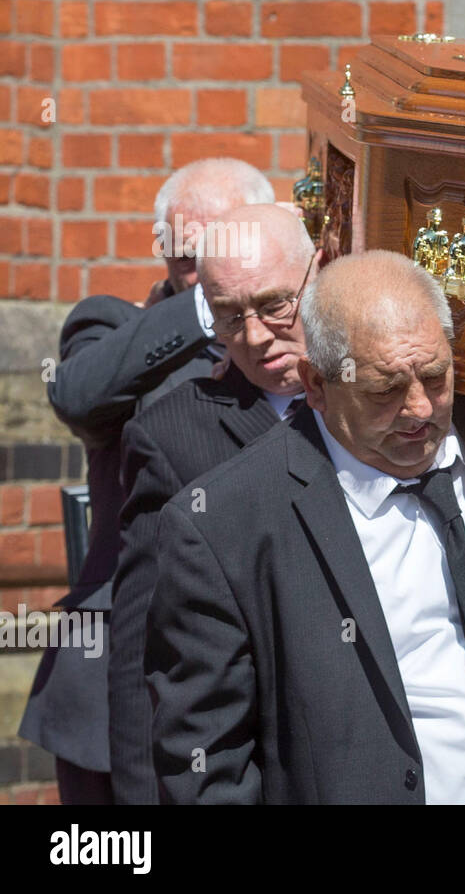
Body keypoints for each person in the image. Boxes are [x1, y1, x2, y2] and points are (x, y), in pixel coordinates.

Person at [145, 250, 465, 804]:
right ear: (315, 384)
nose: (418, 409)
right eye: (384, 390)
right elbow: (206, 768)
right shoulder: (229, 526)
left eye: (434, 377)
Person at [19, 157, 274, 804]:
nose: (194, 261)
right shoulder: (115, 327)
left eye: (214, 246)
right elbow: (76, 393)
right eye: (183, 251)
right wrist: (210, 296)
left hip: (242, 664)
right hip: (114, 680)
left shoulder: (285, 346)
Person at [109, 205, 316, 804]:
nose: (254, 338)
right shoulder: (173, 436)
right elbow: (139, 652)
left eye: (278, 305)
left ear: (319, 271)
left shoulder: (387, 397)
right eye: (230, 319)